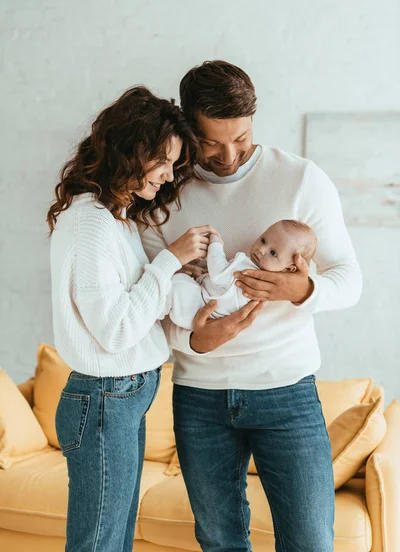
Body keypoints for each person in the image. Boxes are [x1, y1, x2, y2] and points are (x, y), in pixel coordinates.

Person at [140, 61, 363, 552]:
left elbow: (350, 280)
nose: (228, 155)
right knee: (219, 541)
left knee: (310, 542)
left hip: (287, 392)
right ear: (186, 125)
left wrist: (300, 291)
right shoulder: (161, 190)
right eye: (212, 143)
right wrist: (194, 340)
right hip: (199, 396)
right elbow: (154, 300)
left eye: (240, 138)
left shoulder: (301, 180)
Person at [46, 85, 223, 552]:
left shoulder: (117, 218)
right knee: (99, 544)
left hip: (123, 396)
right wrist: (167, 262)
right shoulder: (92, 222)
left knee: (113, 541)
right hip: (106, 399)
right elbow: (117, 329)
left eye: (173, 164)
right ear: (131, 148)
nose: (168, 176)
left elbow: (131, 309)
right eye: (163, 161)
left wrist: (174, 279)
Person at [161, 219, 317, 329]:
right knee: (177, 283)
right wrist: (203, 277)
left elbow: (219, 275)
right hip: (199, 306)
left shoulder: (251, 275)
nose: (261, 250)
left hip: (195, 306)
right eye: (263, 240)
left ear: (290, 268)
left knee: (175, 285)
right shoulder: (259, 278)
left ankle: (153, 306)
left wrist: (215, 244)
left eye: (273, 253)